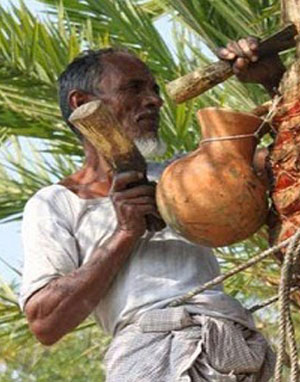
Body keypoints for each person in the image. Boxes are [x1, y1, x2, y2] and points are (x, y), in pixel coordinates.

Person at [18, 37, 286, 381]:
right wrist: (125, 233)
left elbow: (290, 160)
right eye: (133, 88)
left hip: (234, 350)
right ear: (81, 103)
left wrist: (271, 79)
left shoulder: (183, 175)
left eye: (154, 89)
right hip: (151, 357)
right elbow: (45, 322)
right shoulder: (54, 204)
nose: (155, 100)